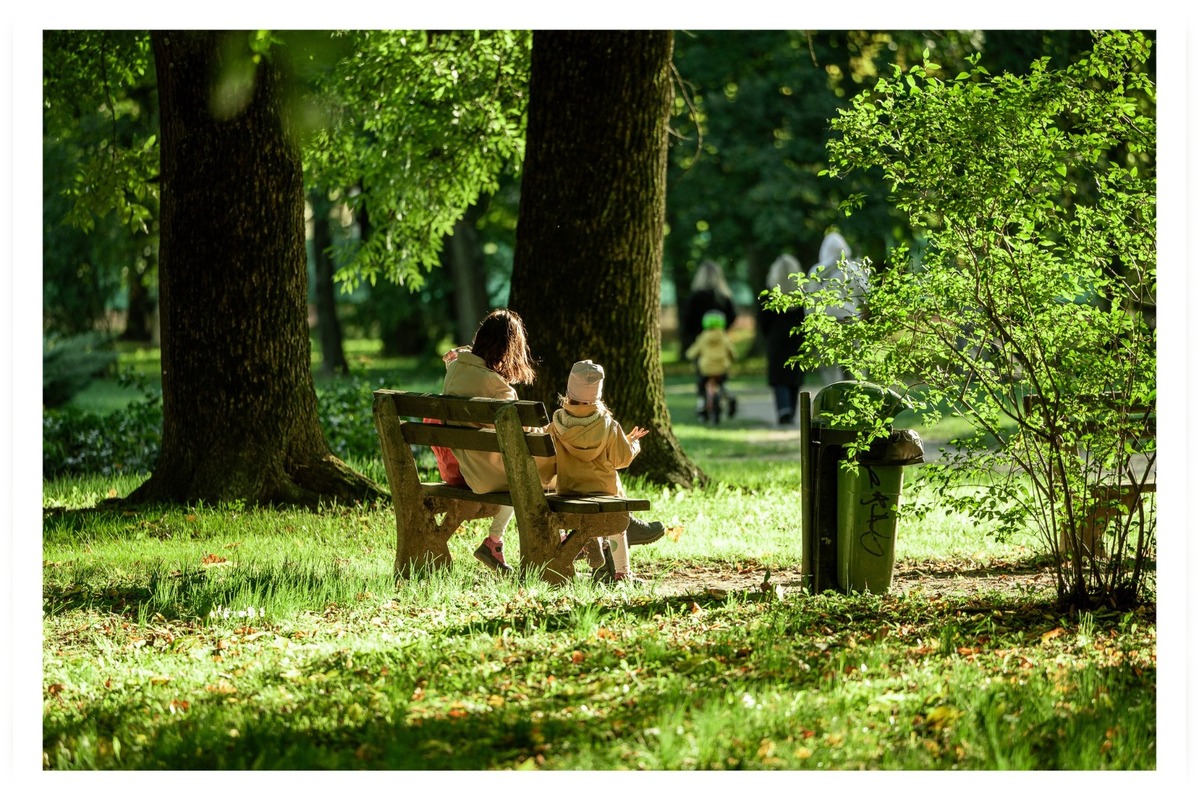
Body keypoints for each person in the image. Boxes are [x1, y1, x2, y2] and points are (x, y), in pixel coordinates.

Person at [443, 311, 664, 574]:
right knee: (581, 471)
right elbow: (525, 436)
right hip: (498, 473)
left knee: (555, 471)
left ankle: (595, 537)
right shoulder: (498, 388)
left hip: (474, 469)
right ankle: (608, 531)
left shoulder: (455, 369)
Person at [549, 360, 649, 584]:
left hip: (569, 491)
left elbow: (546, 461)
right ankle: (622, 573)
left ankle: (588, 539)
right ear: (598, 395)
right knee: (617, 525)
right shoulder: (608, 425)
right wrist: (633, 444)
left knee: (594, 515)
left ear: (569, 392)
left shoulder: (557, 424)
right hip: (604, 493)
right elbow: (621, 459)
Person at [806, 232, 870, 384]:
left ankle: (834, 400)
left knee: (830, 369)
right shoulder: (854, 269)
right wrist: (862, 318)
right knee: (856, 367)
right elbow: (868, 296)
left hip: (826, 325)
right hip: (851, 322)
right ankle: (857, 399)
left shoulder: (817, 271)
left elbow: (809, 302)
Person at [680, 260, 737, 421]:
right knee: (721, 374)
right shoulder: (724, 297)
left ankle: (702, 405)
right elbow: (732, 317)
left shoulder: (695, 298)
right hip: (720, 344)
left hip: (701, 344)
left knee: (702, 377)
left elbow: (687, 321)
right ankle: (727, 394)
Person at [761, 254, 806, 425]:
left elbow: (763, 318)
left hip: (776, 336)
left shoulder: (769, 291)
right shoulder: (801, 292)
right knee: (795, 373)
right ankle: (792, 410)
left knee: (778, 375)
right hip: (797, 336)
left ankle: (783, 408)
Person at [684, 310, 737, 425]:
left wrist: (689, 356)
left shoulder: (703, 338)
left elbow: (692, 352)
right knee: (722, 384)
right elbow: (732, 352)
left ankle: (701, 406)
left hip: (706, 369)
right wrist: (732, 358)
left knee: (702, 388)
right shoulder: (724, 337)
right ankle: (729, 396)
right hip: (722, 367)